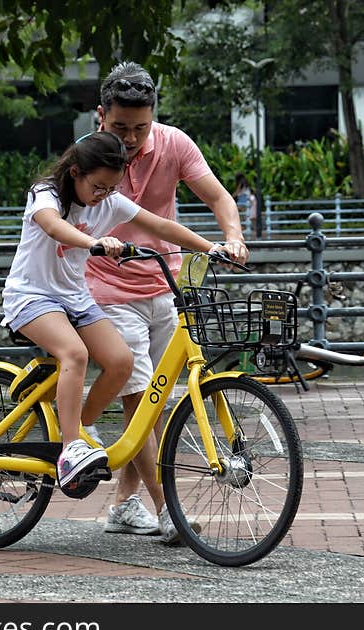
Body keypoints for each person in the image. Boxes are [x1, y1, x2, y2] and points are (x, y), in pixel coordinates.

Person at [0, 131, 223, 497]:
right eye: (98, 187)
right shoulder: (46, 193)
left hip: (74, 297)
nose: (104, 195)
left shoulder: (110, 202)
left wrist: (213, 247)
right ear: (75, 172)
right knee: (75, 353)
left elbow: (162, 227)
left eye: (111, 188)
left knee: (121, 361)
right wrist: (95, 243)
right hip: (32, 296)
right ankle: (71, 449)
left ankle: (79, 427)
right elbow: (53, 225)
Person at [85, 61, 250, 543]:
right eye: (120, 127)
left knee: (153, 405)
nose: (132, 138)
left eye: (141, 127)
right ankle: (168, 510)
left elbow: (218, 197)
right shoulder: (89, 154)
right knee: (140, 396)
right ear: (101, 116)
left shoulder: (174, 144)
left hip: (166, 285)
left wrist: (233, 237)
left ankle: (122, 504)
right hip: (107, 289)